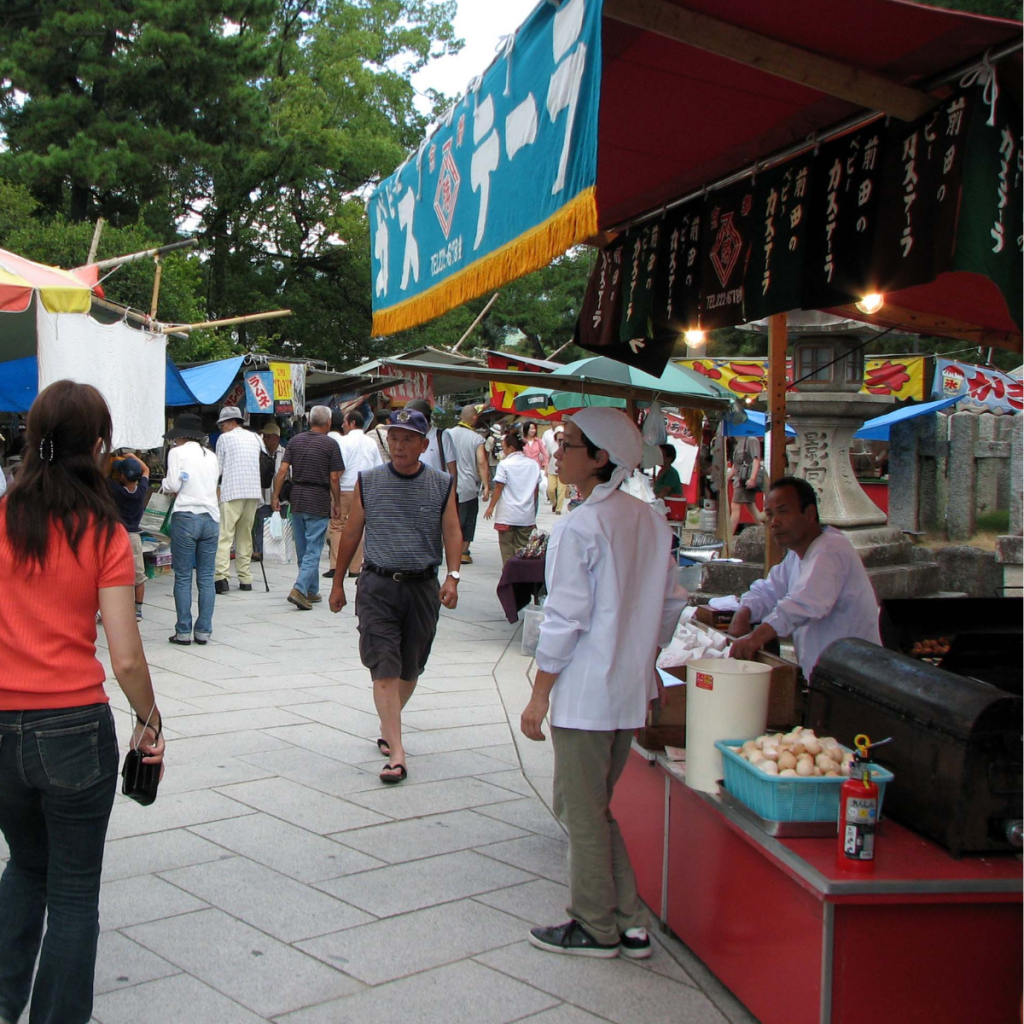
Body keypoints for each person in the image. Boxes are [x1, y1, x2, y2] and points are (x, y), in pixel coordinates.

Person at [0, 380, 165, 1024]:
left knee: (24, 867)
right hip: (72, 725)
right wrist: (150, 723)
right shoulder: (105, 533)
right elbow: (124, 654)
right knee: (72, 890)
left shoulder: (3, 518)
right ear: (98, 446)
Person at [521, 408, 686, 959]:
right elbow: (671, 605)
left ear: (599, 459)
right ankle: (629, 919)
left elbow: (566, 618)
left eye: (568, 446)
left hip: (588, 692)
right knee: (592, 806)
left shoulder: (582, 525)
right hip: (628, 690)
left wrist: (539, 694)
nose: (558, 453)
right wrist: (644, 655)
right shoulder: (650, 519)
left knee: (579, 808)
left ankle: (594, 924)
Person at [328, 408, 462, 785]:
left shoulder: (440, 483)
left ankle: (390, 725)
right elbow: (352, 533)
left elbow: (452, 531)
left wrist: (452, 577)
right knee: (383, 666)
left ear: (423, 444)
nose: (399, 445)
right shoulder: (370, 481)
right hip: (377, 585)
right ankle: (397, 753)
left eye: (407, 439)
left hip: (422, 587)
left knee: (410, 667)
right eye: (394, 438)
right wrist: (338, 581)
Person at [728, 476, 881, 679]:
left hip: (854, 678)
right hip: (823, 677)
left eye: (783, 512)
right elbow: (768, 589)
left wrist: (756, 638)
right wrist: (744, 612)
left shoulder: (831, 549)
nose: (774, 522)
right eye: (770, 514)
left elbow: (802, 603)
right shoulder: (796, 556)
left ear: (809, 514)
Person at [272, 405, 342, 610]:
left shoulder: (295, 441)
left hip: (297, 498)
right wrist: (336, 503)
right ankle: (300, 589)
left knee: (302, 548)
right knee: (314, 549)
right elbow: (335, 478)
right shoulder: (330, 444)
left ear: (310, 421)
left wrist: (275, 496)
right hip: (319, 499)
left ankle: (312, 590)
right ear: (328, 423)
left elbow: (283, 470)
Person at [162, 412, 221, 645]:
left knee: (184, 576)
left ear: (180, 436)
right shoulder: (212, 456)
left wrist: (167, 485)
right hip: (211, 518)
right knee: (206, 577)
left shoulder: (177, 453)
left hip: (186, 516)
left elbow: (173, 484)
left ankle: (183, 630)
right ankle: (204, 630)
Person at [326, 409, 383, 580]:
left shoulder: (343, 442)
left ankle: (336, 565)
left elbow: (338, 469)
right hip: (365, 489)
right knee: (359, 527)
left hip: (345, 488)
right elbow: (378, 468)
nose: (342, 425)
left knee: (337, 526)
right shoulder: (370, 442)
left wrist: (333, 491)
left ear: (352, 423)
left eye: (345, 421)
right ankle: (355, 568)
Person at [213, 405, 264, 593]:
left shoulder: (224, 439)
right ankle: (245, 579)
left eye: (223, 424)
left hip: (232, 491)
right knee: (245, 536)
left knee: (225, 536)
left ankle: (221, 578)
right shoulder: (255, 437)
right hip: (252, 491)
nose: (221, 428)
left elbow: (218, 469)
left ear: (232, 422)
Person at [484, 427, 544, 565]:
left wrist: (491, 507)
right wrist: (532, 506)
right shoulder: (533, 465)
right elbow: (535, 490)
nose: (503, 450)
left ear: (511, 448)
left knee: (506, 548)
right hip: (526, 515)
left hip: (507, 513)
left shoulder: (504, 464)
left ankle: (508, 574)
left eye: (504, 447)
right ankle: (521, 575)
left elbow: (499, 487)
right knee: (522, 547)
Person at [108, 454, 151, 619]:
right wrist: (133, 457)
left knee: (114, 571)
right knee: (138, 575)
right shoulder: (140, 491)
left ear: (122, 476)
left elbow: (104, 474)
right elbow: (146, 469)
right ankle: (137, 609)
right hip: (134, 537)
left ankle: (109, 608)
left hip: (116, 535)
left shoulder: (115, 489)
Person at [447, 404, 490, 564]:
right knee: (468, 519)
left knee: (450, 518)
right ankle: (463, 552)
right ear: (474, 418)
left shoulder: (446, 434)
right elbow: (481, 462)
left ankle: (450, 548)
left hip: (448, 484)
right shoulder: (476, 438)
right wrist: (486, 485)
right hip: (468, 486)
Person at [253, 421, 287, 559]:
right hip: (264, 495)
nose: (265, 439)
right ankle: (259, 550)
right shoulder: (259, 453)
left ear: (276, 438)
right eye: (264, 436)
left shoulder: (285, 453)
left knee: (280, 524)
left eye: (267, 436)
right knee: (261, 524)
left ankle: (278, 550)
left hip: (281, 498)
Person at [406, 398, 457, 481]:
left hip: (437, 491)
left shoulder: (441, 436)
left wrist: (452, 493)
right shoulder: (409, 438)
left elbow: (452, 469)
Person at [729, 434, 764, 535]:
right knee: (750, 506)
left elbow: (756, 459)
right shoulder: (738, 441)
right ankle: (765, 530)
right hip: (739, 479)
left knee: (735, 505)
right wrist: (727, 478)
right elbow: (736, 466)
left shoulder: (751, 440)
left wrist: (752, 478)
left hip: (745, 479)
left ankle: (729, 535)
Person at [543, 424, 567, 514]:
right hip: (552, 469)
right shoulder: (550, 443)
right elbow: (547, 456)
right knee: (550, 489)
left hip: (563, 470)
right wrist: (545, 468)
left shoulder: (567, 444)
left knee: (561, 490)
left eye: (562, 433)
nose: (560, 435)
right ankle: (554, 503)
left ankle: (558, 509)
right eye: (558, 433)